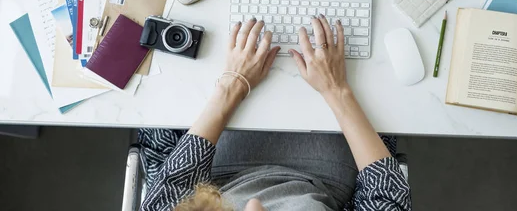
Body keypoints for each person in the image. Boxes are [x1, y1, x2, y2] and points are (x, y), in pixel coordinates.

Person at [139, 16, 411, 211]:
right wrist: (335, 89)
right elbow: (386, 192)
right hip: (323, 177)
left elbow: (169, 188)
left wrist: (233, 84)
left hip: (218, 173)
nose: (255, 205)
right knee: (379, 83)